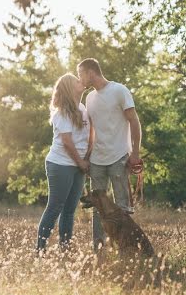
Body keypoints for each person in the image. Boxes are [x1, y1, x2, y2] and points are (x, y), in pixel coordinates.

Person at [76, 58, 142, 251]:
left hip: (119, 156)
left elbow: (134, 121)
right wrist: (87, 155)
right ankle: (99, 249)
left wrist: (135, 153)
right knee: (98, 206)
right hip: (97, 160)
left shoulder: (119, 91)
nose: (80, 79)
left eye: (80, 74)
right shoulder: (89, 98)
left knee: (122, 208)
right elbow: (92, 130)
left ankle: (124, 249)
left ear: (90, 72)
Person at [36, 73, 91, 254]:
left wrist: (87, 159)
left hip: (78, 165)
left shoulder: (82, 108)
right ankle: (40, 250)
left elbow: (88, 138)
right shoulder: (62, 113)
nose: (80, 81)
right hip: (61, 164)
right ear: (69, 88)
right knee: (55, 207)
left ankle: (64, 250)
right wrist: (81, 163)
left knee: (69, 210)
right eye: (76, 80)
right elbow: (67, 142)